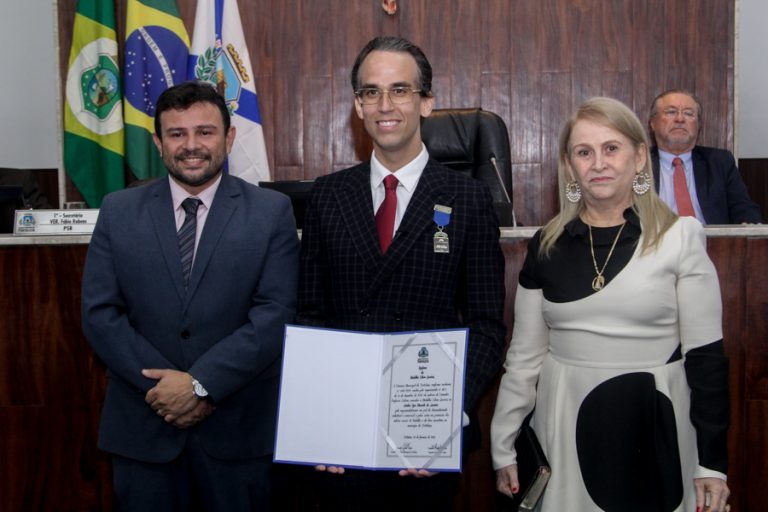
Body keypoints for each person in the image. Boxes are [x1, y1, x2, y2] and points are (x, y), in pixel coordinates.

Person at [295, 36, 506, 510]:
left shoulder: (468, 199)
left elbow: (487, 326)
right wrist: (318, 421)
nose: (384, 105)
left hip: (424, 445)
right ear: (358, 105)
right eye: (371, 92)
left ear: (426, 102)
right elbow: (310, 315)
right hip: (342, 442)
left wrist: (447, 417)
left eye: (400, 90)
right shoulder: (328, 196)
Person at [491, 97, 730, 512]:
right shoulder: (545, 245)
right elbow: (524, 358)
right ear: (570, 166)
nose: (598, 163)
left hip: (656, 423)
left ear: (638, 157)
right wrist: (503, 443)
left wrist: (712, 463)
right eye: (584, 152)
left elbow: (706, 360)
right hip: (564, 422)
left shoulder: (680, 237)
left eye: (611, 148)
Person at [81, 80, 299, 511]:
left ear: (228, 138)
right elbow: (100, 314)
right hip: (144, 431)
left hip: (238, 434)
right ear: (158, 143)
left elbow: (275, 314)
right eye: (177, 134)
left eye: (205, 131)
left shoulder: (270, 212)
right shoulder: (118, 211)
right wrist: (167, 390)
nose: (191, 145)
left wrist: (201, 384)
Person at [648, 89, 763, 224]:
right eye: (671, 112)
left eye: (688, 113)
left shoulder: (719, 162)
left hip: (709, 237)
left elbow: (743, 208)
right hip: (656, 236)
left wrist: (749, 224)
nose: (680, 119)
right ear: (652, 123)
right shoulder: (638, 163)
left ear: (698, 125)